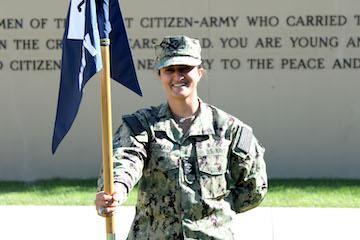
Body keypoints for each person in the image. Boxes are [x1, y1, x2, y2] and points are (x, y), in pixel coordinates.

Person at [95, 35, 268, 239]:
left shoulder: (230, 130)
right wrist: (116, 190)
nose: (177, 76)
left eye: (185, 68)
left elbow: (255, 187)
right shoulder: (142, 126)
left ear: (200, 72)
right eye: (169, 70)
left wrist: (216, 213)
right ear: (160, 74)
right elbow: (124, 161)